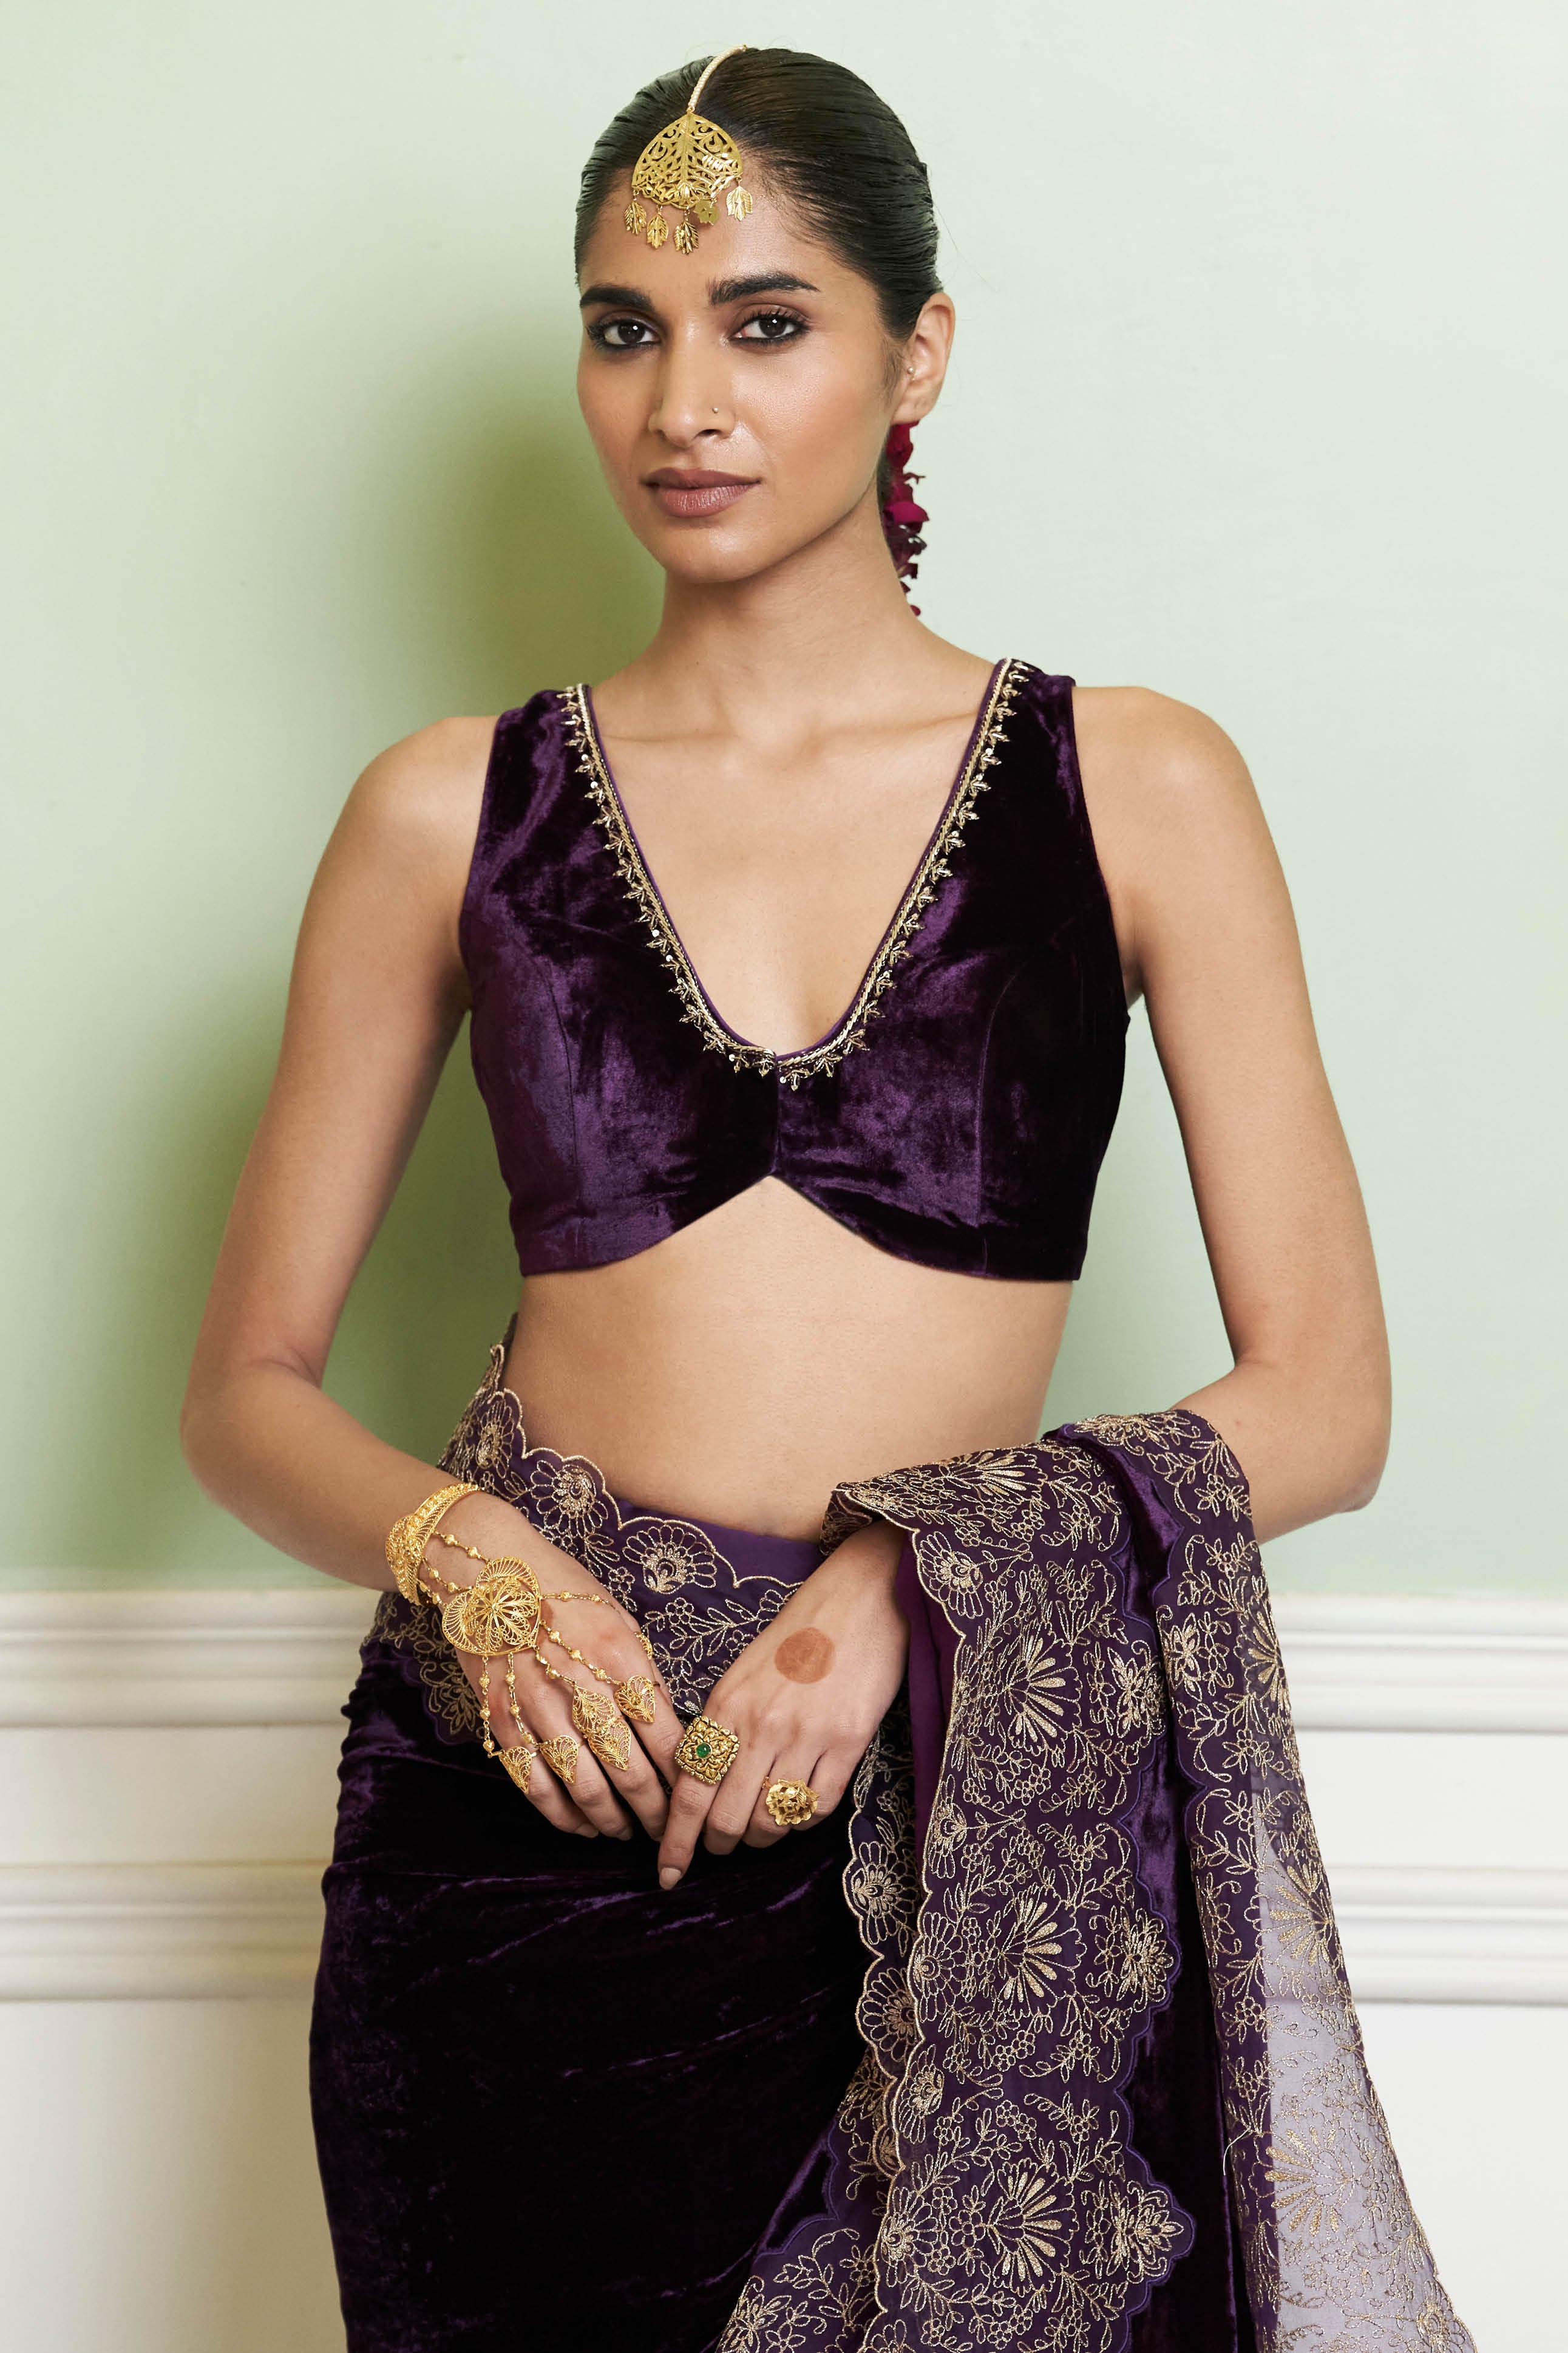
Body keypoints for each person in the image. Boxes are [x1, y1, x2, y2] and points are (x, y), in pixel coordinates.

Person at [182, 44, 1471, 2353]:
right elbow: (247, 1392)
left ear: (918, 351)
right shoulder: (446, 813)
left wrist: (923, 1575)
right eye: (626, 328)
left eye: (766, 323)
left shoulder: (1135, 786)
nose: (683, 402)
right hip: (521, 1838)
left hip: (955, 1798)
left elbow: (1332, 1399)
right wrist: (472, 1561)